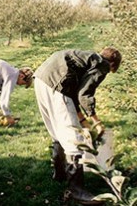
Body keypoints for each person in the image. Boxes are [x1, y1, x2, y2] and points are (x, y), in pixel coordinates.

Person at [33, 47, 122, 205]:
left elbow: (73, 94)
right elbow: (84, 94)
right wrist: (96, 122)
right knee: (74, 137)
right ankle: (77, 191)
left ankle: (59, 174)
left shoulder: (86, 59)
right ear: (112, 64)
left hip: (42, 79)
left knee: (57, 132)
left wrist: (83, 121)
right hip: (57, 82)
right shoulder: (102, 64)